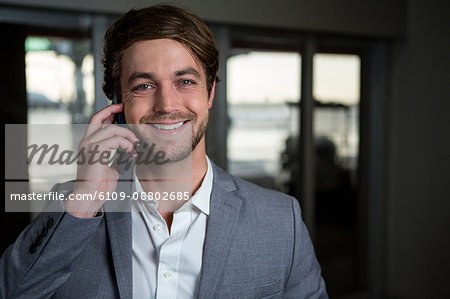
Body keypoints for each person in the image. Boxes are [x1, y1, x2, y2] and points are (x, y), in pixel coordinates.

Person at [0, 4, 327, 298]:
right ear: (117, 102)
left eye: (185, 81)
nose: (167, 105)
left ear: (210, 93)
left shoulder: (282, 220)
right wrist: (85, 198)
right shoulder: (72, 210)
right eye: (144, 85)